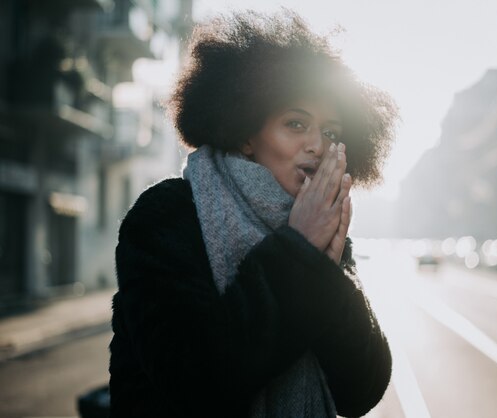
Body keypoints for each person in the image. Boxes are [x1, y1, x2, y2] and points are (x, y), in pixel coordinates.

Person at [108, 10, 398, 418]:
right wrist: (300, 254)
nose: (318, 144)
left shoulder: (323, 229)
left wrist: (326, 275)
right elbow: (195, 381)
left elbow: (362, 391)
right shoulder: (167, 216)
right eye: (296, 123)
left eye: (331, 131)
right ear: (246, 133)